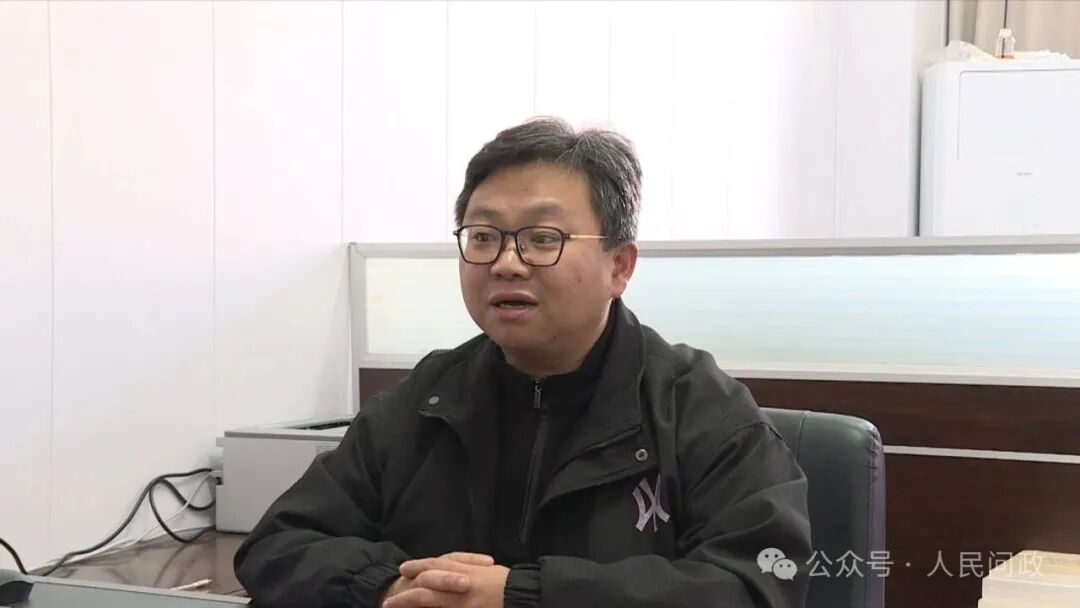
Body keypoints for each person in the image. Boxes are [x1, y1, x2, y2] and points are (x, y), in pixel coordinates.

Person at [234, 117, 812, 608]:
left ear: (620, 266)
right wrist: (389, 586)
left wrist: (523, 597)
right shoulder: (428, 399)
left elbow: (756, 585)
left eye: (542, 238)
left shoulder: (697, 407)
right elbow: (278, 544)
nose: (506, 263)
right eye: (483, 236)